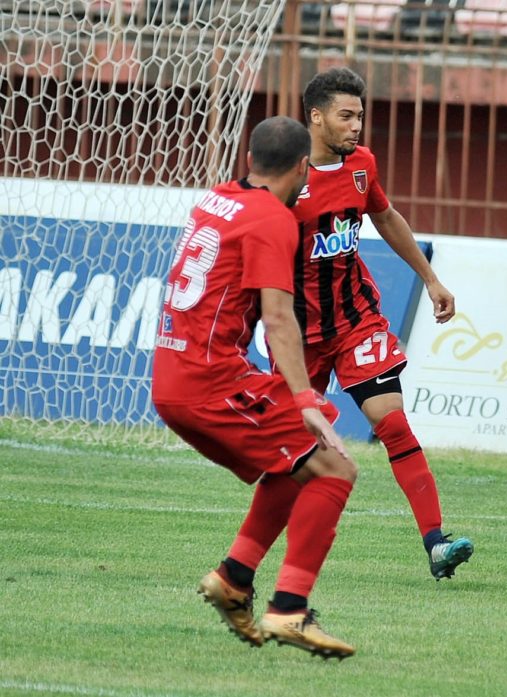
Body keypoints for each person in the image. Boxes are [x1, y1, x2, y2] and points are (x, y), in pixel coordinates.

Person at [152, 116, 357, 659]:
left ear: (250, 160)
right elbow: (278, 319)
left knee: (298, 461)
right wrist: (305, 398)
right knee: (336, 467)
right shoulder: (272, 220)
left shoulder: (217, 198)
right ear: (302, 168)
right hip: (209, 381)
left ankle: (234, 578)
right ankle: (290, 610)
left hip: (173, 376)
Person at [292, 67, 473, 580]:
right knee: (295, 447)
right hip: (298, 333)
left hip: (356, 322)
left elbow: (386, 216)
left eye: (360, 116)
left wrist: (431, 280)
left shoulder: (362, 165)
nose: (356, 126)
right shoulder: (285, 175)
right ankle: (262, 558)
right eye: (346, 116)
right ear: (316, 117)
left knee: (392, 423)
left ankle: (436, 544)